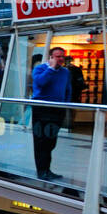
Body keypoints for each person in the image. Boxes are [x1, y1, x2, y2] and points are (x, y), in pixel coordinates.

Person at [31, 46, 70, 181]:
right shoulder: (40, 69)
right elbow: (40, 82)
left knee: (51, 141)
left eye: (62, 56)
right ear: (51, 57)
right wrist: (51, 69)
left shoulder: (65, 72)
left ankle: (47, 169)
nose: (60, 59)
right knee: (41, 141)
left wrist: (65, 105)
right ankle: (41, 171)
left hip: (57, 110)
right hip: (41, 109)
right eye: (57, 56)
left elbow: (67, 89)